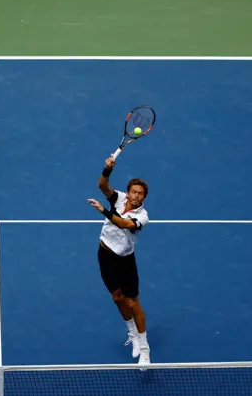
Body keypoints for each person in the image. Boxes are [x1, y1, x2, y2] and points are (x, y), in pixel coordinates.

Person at [86, 155, 151, 365]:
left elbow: (123, 224)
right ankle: (132, 333)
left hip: (125, 261)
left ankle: (144, 347)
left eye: (140, 194)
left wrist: (103, 210)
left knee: (133, 302)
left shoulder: (143, 217)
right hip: (105, 255)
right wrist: (107, 169)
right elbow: (102, 185)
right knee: (117, 297)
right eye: (133, 191)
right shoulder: (119, 198)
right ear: (128, 192)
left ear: (144, 198)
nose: (135, 196)